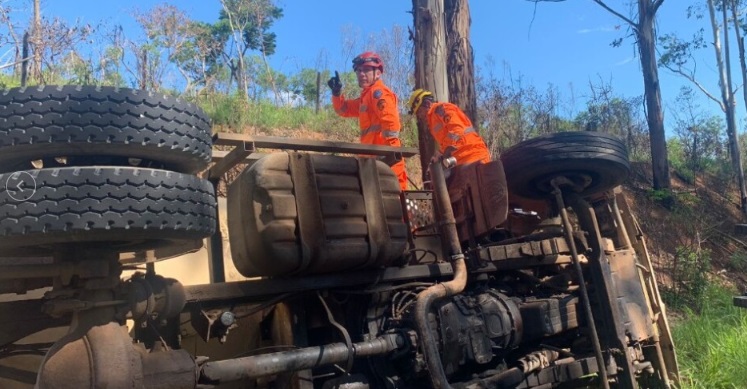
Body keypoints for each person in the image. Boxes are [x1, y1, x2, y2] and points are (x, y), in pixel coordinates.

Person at [327, 51, 408, 191]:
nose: (361, 74)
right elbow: (343, 109)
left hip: (387, 161)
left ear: (377, 73)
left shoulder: (379, 93)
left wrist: (388, 155)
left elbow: (391, 125)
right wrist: (336, 93)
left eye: (366, 70)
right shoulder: (365, 98)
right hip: (372, 161)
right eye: (358, 71)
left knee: (396, 204)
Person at [407, 89, 491, 166]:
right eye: (417, 114)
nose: (420, 116)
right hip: (460, 157)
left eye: (420, 111)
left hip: (472, 153)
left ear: (427, 104)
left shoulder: (441, 109)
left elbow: (457, 131)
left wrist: (441, 152)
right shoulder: (432, 120)